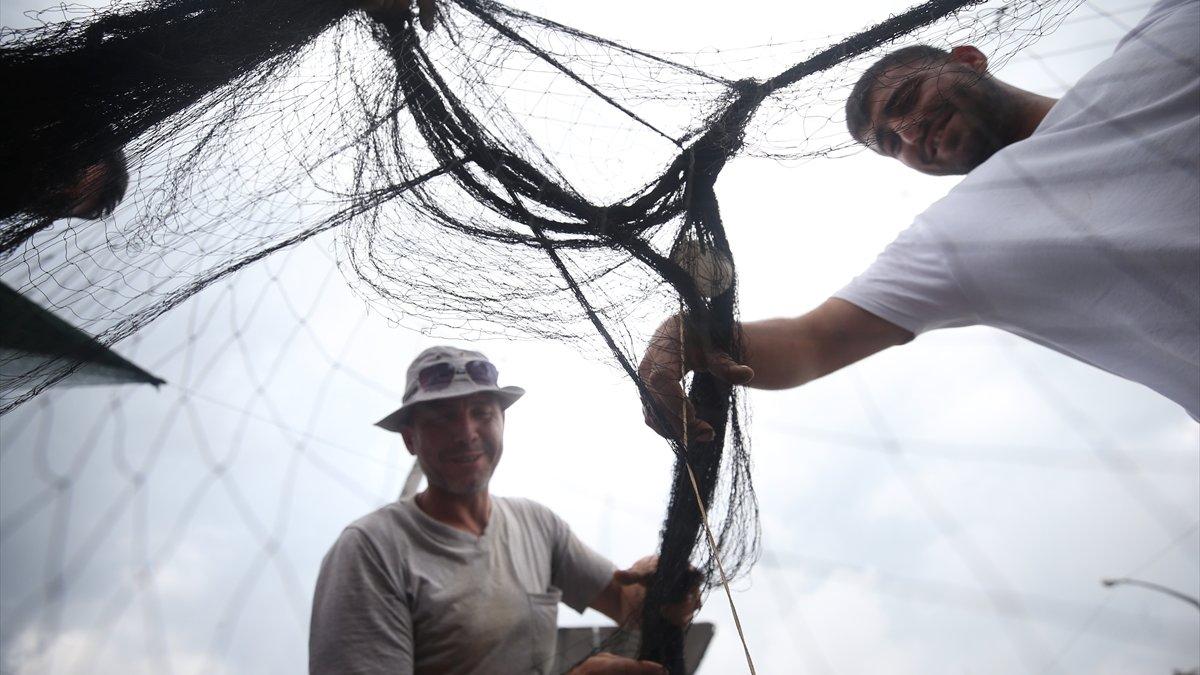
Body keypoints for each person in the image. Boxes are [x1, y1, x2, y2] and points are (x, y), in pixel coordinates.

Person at [639, 0, 1199, 439]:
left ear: (969, 60)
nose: (908, 133)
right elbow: (811, 341)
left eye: (907, 99)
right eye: (889, 142)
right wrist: (685, 334)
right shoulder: (957, 238)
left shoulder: (1166, 43)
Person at [310, 346, 695, 675]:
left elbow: (626, 601)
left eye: (481, 411)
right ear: (411, 438)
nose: (466, 432)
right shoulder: (370, 551)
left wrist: (662, 583)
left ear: (503, 422)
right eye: (443, 417)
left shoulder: (538, 526)